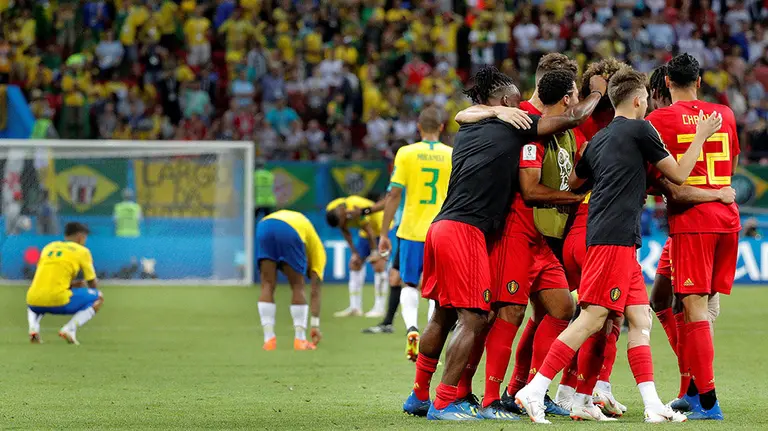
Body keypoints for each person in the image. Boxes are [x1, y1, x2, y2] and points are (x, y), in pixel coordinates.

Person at [515, 67, 721, 424]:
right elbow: (679, 174)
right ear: (640, 100)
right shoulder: (642, 129)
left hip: (614, 235)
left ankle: (653, 405)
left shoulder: (597, 141)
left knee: (641, 319)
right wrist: (701, 136)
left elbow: (578, 182)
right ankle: (534, 389)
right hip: (612, 238)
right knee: (593, 317)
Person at [401, 66, 604, 421]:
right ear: (507, 102)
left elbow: (465, 113)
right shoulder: (513, 126)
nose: (518, 101)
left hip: (442, 226)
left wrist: (492, 109)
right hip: (467, 231)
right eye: (513, 98)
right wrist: (599, 92)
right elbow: (571, 118)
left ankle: (419, 395)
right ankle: (447, 401)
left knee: (444, 313)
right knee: (477, 316)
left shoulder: (468, 128)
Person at [453, 60, 586, 418]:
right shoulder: (522, 118)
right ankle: (489, 397)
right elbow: (528, 189)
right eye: (574, 93)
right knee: (505, 313)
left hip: (541, 238)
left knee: (562, 308)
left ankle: (525, 390)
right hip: (513, 230)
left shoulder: (558, 130)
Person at [645, 53, 741, 420]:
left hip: (693, 221)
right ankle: (690, 391)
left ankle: (708, 401)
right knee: (681, 301)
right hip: (726, 218)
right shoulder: (725, 114)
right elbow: (730, 165)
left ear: (667, 83)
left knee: (695, 307)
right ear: (699, 81)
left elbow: (661, 178)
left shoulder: (658, 120)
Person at [378, 105, 453, 362]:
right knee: (436, 289)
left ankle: (412, 329)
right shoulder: (451, 154)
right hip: (441, 229)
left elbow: (394, 193)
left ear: (419, 128)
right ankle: (432, 339)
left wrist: (383, 232)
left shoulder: (406, 153)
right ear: (441, 128)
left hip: (410, 230)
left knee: (408, 283)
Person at [256, 210, 325, 351]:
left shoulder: (306, 229)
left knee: (267, 284)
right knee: (297, 286)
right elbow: (315, 291)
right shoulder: (319, 255)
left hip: (264, 225)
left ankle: (269, 340)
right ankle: (300, 340)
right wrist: (315, 326)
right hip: (290, 229)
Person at [26, 222, 102, 345]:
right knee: (99, 297)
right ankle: (69, 329)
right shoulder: (82, 251)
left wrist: (72, 285)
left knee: (35, 297)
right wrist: (92, 291)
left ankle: (33, 328)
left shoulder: (49, 247)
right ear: (80, 236)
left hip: (34, 301)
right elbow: (92, 282)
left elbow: (50, 278)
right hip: (59, 301)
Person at [326, 195, 388, 318]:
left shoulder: (355, 207)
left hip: (382, 229)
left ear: (343, 214)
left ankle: (379, 308)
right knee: (355, 264)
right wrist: (355, 253)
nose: (344, 224)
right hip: (365, 233)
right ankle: (355, 308)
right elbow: (345, 231)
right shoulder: (333, 210)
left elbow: (369, 230)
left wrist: (375, 252)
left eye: (344, 221)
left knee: (378, 265)